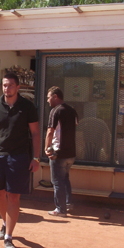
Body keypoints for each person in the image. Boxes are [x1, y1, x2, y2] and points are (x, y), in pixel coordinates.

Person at [0, 73, 41, 248]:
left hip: (20, 157)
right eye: (4, 85)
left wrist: (36, 158)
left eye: (10, 86)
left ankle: (8, 236)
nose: (6, 89)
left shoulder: (27, 106)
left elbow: (36, 133)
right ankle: (4, 222)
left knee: (13, 196)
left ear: (17, 87)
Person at [44, 86, 78, 217]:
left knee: (57, 181)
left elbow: (50, 131)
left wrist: (47, 148)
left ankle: (61, 209)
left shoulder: (55, 111)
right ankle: (68, 204)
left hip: (58, 153)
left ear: (55, 97)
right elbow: (74, 128)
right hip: (71, 154)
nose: (48, 100)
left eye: (48, 97)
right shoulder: (72, 111)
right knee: (65, 179)